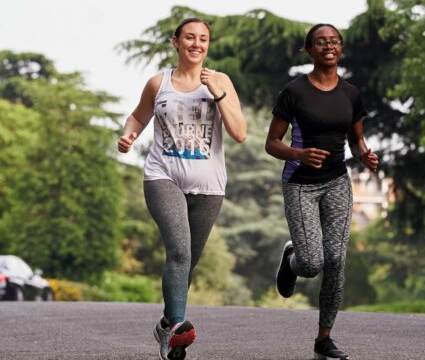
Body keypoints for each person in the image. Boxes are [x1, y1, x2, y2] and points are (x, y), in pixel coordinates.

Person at [118, 18, 246, 360]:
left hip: (209, 185)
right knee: (178, 252)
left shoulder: (220, 81)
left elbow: (240, 133)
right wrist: (129, 135)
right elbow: (137, 117)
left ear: (208, 45)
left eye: (203, 39)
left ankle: (164, 324)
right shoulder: (158, 83)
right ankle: (177, 329)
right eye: (189, 37)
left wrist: (216, 92)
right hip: (163, 176)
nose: (196, 44)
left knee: (188, 262)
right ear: (176, 42)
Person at [265, 23, 379, 360]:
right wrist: (299, 154)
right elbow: (271, 143)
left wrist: (365, 155)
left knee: (336, 259)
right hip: (300, 183)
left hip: (337, 183)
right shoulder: (294, 92)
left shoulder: (351, 94)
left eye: (334, 41)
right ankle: (292, 259)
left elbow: (356, 141)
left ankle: (324, 338)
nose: (328, 46)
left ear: (340, 48)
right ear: (309, 50)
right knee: (312, 262)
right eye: (320, 42)